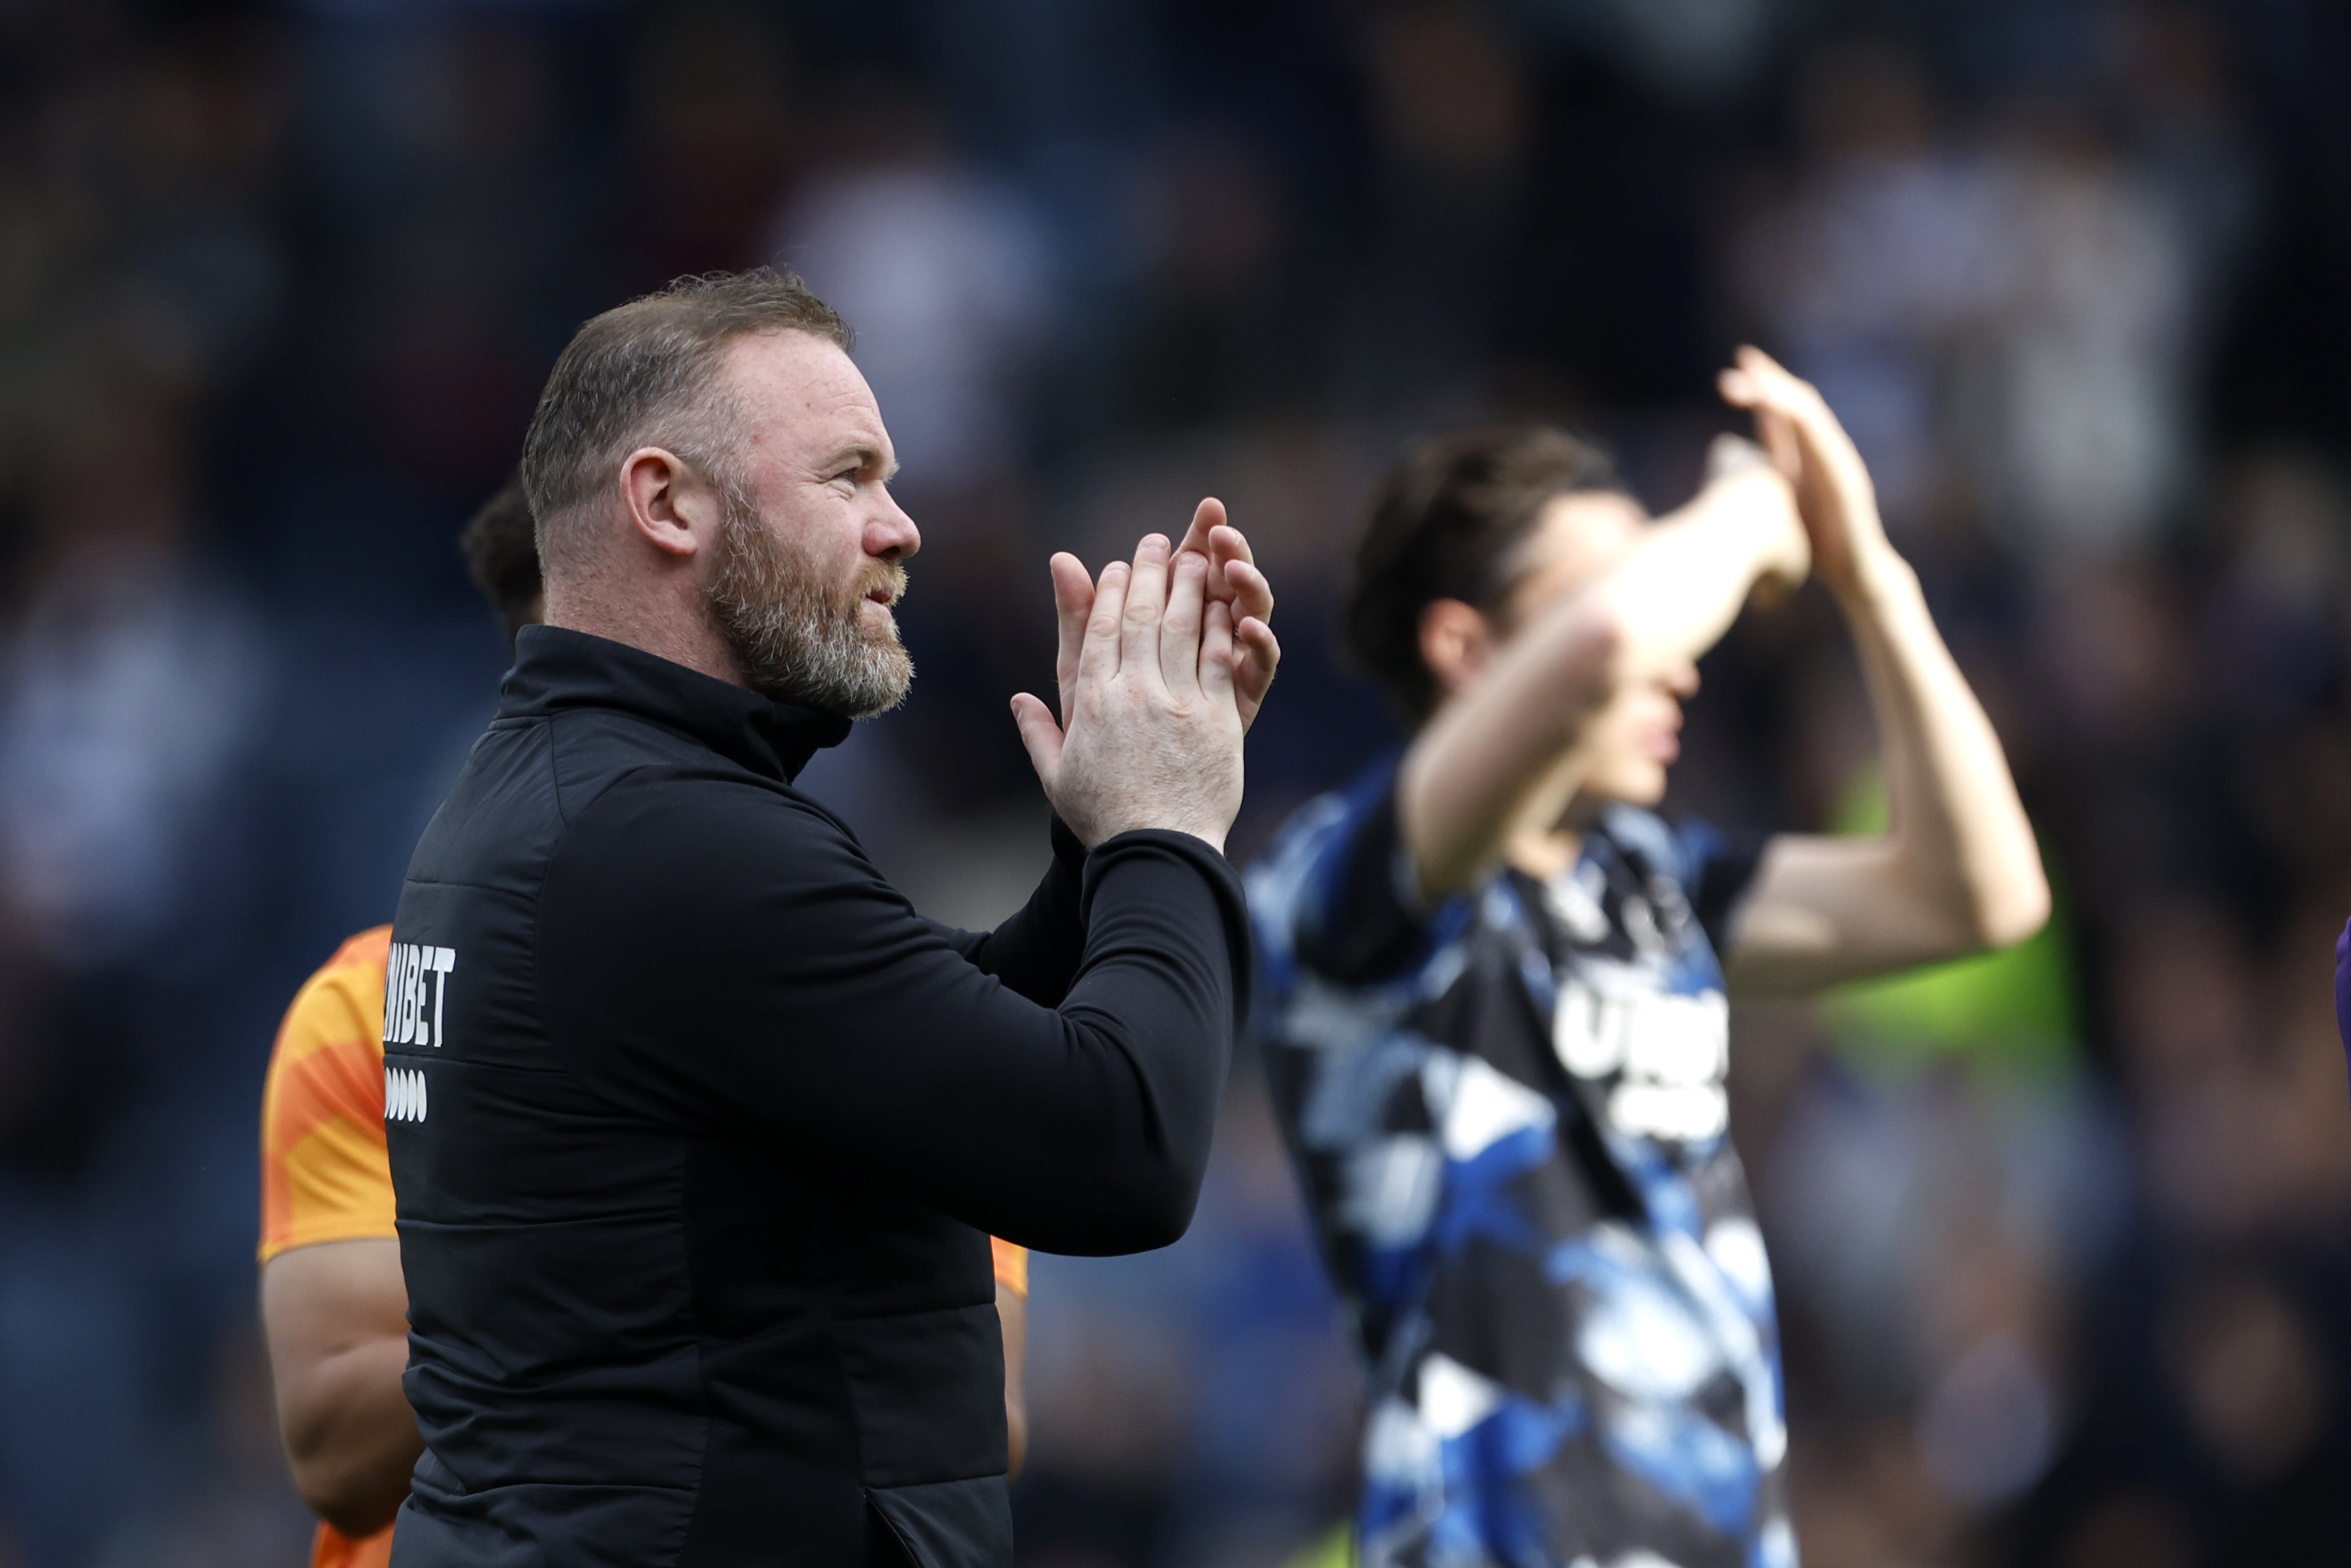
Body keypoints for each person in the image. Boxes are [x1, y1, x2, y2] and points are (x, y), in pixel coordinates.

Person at [380, 267, 1280, 1568]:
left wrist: (1099, 842)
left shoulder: (570, 797)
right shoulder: (670, 842)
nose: (902, 526)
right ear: (667, 502)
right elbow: (1120, 1146)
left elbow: (925, 1045)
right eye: (849, 475)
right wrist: (1168, 824)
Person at [1248, 348, 2049, 1568]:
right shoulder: (1351, 883)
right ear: (1467, 648)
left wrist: (1866, 572)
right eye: (1616, 588)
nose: (1687, 651)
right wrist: (1744, 501)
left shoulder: (1654, 881)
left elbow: (1981, 893)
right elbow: (1608, 645)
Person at [257, 482, 1045, 1567]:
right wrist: (644, 1274)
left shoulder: (880, 989)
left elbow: (983, 1416)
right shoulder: (366, 1009)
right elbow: (333, 1444)